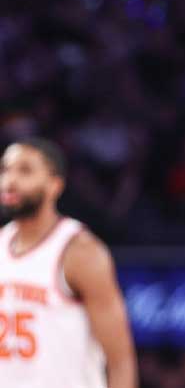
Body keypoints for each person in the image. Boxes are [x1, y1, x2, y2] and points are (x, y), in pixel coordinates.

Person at [0, 138, 137, 388]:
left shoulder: (80, 252)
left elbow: (120, 361)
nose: (10, 181)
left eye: (25, 171)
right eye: (5, 170)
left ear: (55, 185)